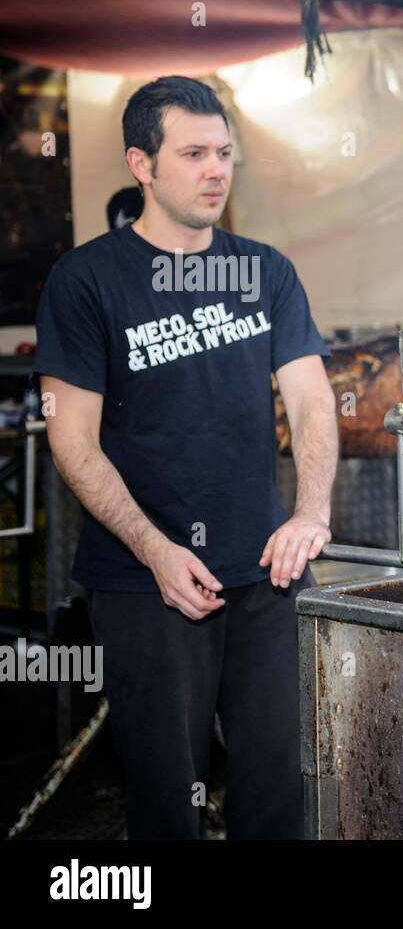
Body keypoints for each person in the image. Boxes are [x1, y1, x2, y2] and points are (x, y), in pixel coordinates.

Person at [34, 76, 339, 839]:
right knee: (169, 803)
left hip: (265, 575)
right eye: (194, 153)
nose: (216, 171)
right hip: (145, 583)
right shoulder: (87, 280)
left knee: (281, 794)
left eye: (225, 154)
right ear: (142, 163)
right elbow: (70, 436)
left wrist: (310, 512)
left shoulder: (265, 270)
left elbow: (308, 398)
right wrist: (154, 551)